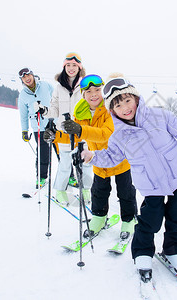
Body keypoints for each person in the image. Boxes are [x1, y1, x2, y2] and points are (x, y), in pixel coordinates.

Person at [81, 74, 177, 283]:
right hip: (150, 183)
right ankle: (143, 253)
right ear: (112, 110)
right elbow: (112, 157)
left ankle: (174, 250)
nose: (125, 108)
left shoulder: (159, 115)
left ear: (136, 99)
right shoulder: (118, 135)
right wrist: (92, 157)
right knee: (150, 221)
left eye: (128, 100)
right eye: (118, 105)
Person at [46, 74, 137, 238]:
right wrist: (56, 136)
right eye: (88, 91)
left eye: (97, 90)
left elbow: (105, 134)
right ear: (83, 95)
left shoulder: (111, 108)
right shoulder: (80, 113)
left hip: (120, 159)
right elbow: (75, 137)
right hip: (98, 160)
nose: (94, 94)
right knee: (99, 191)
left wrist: (80, 130)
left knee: (125, 192)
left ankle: (129, 220)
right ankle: (99, 218)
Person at [47, 52, 91, 204]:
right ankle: (60, 191)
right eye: (68, 65)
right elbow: (54, 108)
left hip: (82, 131)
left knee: (85, 162)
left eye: (74, 65)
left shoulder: (86, 85)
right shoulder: (59, 87)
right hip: (64, 131)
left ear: (79, 67)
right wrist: (45, 111)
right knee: (65, 164)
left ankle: (86, 190)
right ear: (64, 67)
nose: (71, 68)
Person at [18, 67, 54, 188]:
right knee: (43, 153)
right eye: (24, 77)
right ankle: (42, 178)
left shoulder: (45, 85)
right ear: (22, 80)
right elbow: (23, 114)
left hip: (53, 122)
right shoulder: (23, 95)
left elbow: (57, 98)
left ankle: (70, 176)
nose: (27, 78)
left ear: (32, 75)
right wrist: (24, 130)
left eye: (28, 75)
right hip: (38, 126)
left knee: (62, 151)